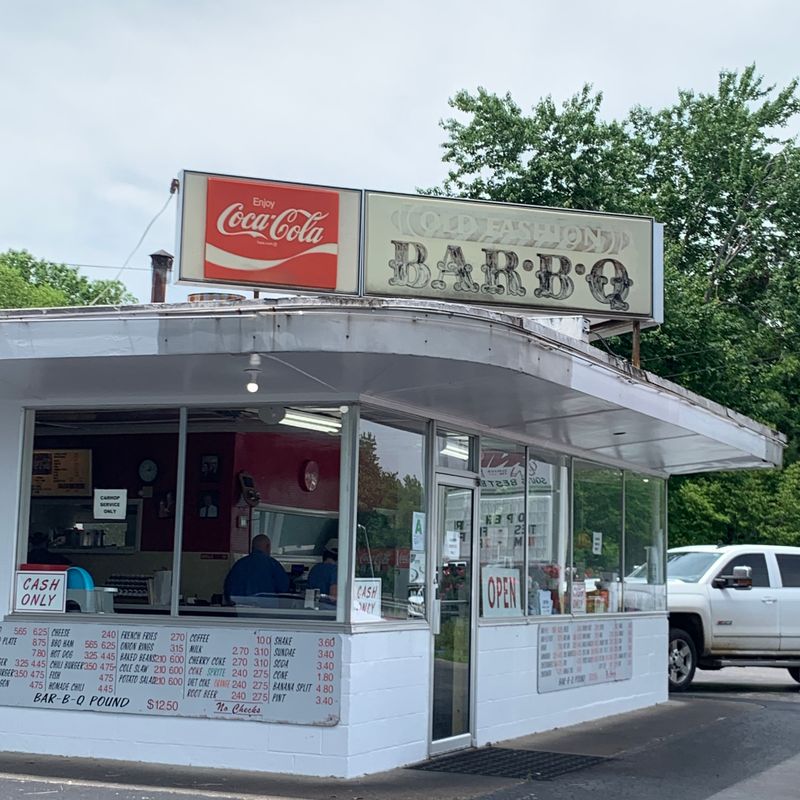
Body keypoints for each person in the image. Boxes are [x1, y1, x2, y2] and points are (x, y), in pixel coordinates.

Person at [223, 534, 289, 603]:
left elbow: (228, 588)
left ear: (252, 547)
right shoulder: (273, 564)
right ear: (268, 547)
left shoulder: (239, 564)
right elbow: (283, 587)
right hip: (267, 607)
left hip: (241, 607)